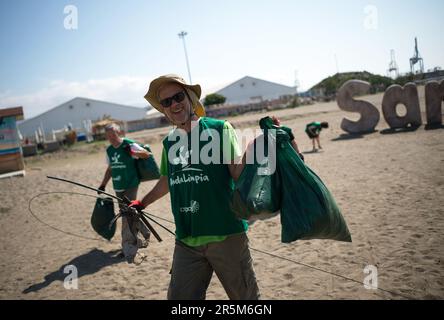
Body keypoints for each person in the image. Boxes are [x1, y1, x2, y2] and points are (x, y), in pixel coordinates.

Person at [129, 74, 260, 300]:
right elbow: (166, 180)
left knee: (245, 300)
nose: (173, 104)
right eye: (166, 102)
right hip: (187, 239)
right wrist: (142, 202)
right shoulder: (170, 142)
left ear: (189, 98)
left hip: (226, 233)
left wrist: (255, 146)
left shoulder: (219, 129)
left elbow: (237, 172)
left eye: (177, 97)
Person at [98, 123, 151, 264]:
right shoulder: (109, 150)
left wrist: (133, 152)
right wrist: (103, 184)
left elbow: (146, 155)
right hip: (118, 186)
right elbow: (110, 169)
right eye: (108, 136)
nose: (111, 138)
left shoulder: (128, 144)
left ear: (118, 132)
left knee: (126, 215)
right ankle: (140, 235)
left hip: (131, 184)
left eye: (113, 134)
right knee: (128, 214)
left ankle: (127, 247)